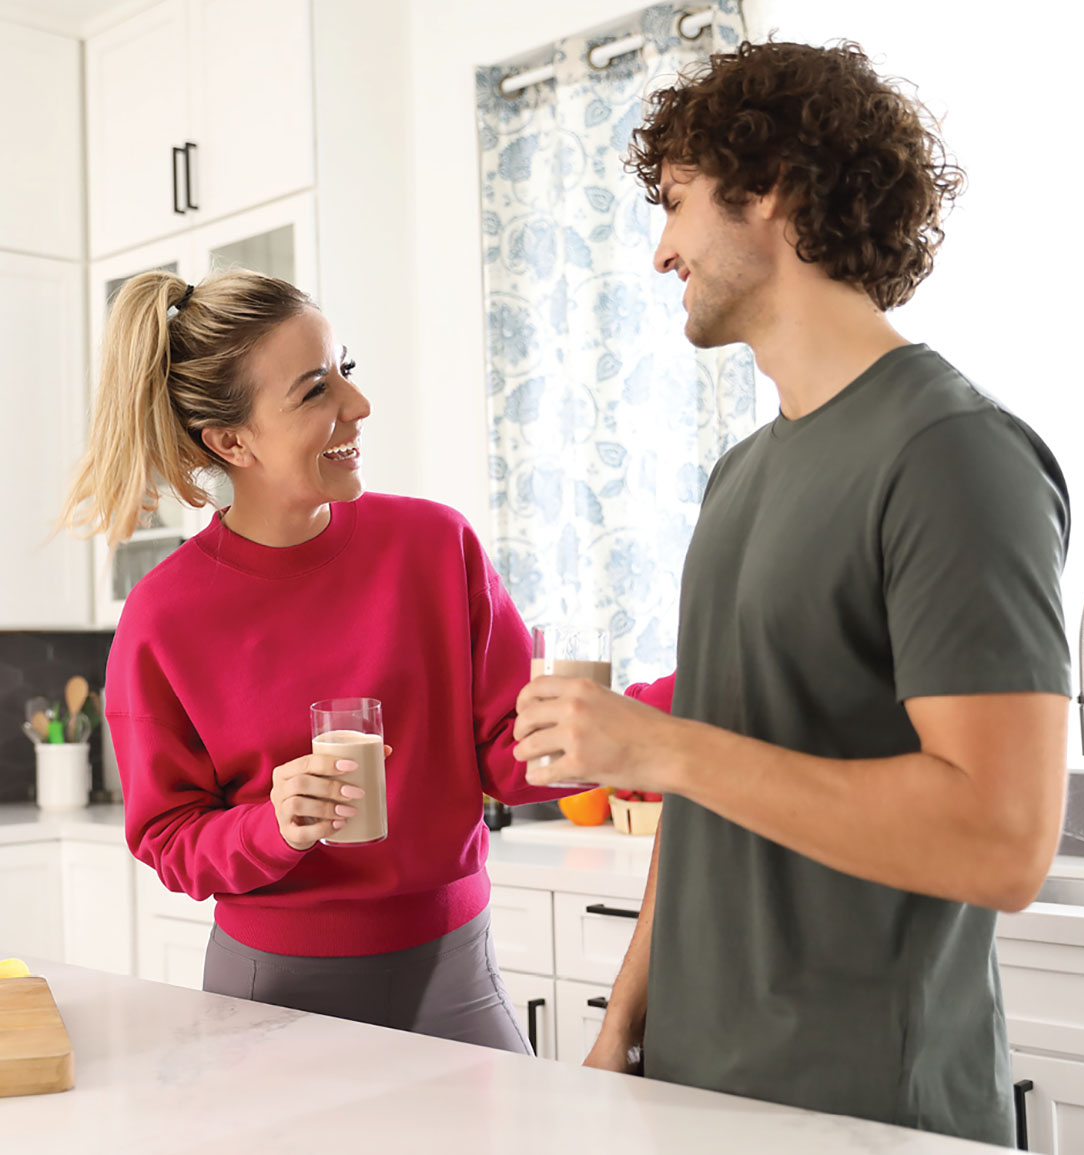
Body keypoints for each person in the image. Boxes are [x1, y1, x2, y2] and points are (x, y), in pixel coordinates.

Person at [513, 38, 1070, 1145]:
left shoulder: (955, 455)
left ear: (767, 188)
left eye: (676, 204)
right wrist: (626, 1019)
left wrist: (658, 747)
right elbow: (710, 787)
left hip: (868, 1108)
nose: (662, 250)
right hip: (693, 1085)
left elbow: (1004, 842)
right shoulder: (742, 473)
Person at [61, 268, 672, 1051]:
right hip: (272, 992)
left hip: (455, 972)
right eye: (315, 390)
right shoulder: (164, 615)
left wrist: (678, 703)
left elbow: (509, 757)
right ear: (230, 440)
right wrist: (274, 824)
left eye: (345, 370)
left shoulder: (434, 545)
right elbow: (169, 837)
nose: (358, 405)